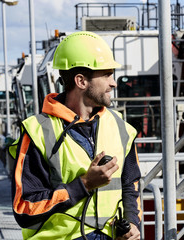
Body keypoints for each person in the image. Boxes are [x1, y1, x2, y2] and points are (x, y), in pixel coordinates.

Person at [9, 31, 142, 240]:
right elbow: (25, 209)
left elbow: (130, 186)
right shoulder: (37, 132)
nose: (113, 83)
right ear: (81, 81)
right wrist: (84, 185)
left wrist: (132, 221)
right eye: (106, 74)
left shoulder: (122, 129)